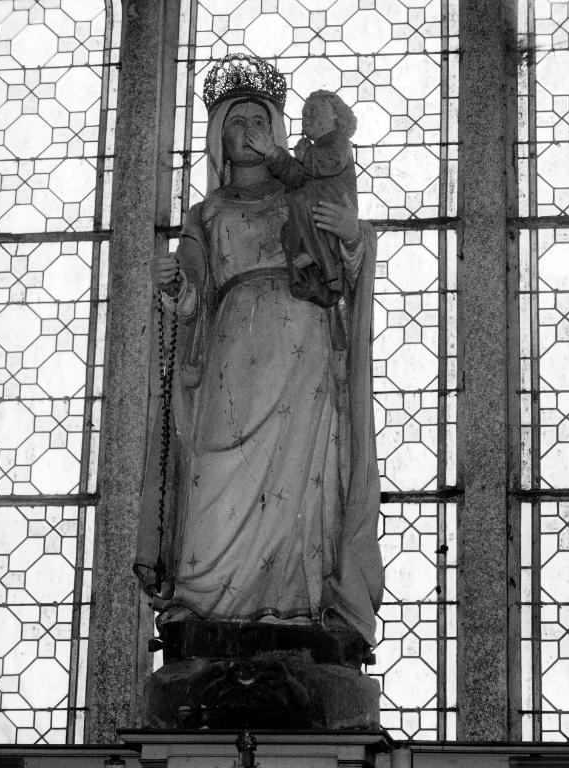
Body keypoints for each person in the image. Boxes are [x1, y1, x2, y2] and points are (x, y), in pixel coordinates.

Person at [135, 54, 383, 647]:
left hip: (304, 343)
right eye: (236, 122)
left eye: (259, 120)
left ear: (277, 129)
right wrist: (175, 286)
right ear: (219, 136)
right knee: (213, 470)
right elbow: (195, 293)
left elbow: (342, 269)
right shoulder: (207, 212)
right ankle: (200, 604)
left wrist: (353, 237)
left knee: (303, 481)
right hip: (231, 347)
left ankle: (296, 609)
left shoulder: (306, 190)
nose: (248, 132)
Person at [246, 90, 358, 310]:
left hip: (334, 198)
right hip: (315, 198)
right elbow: (299, 177)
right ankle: (312, 257)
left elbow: (331, 162)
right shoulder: (315, 148)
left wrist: (306, 155)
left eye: (313, 112)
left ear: (335, 116)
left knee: (304, 202)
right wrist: (273, 152)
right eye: (304, 114)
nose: (307, 118)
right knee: (291, 224)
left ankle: (317, 256)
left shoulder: (338, 141)